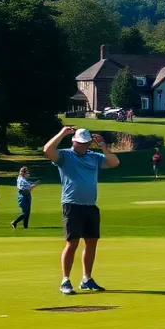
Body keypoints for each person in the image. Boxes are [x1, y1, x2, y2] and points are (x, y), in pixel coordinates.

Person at [44, 126, 120, 295]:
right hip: (72, 205)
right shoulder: (65, 156)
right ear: (74, 141)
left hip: (90, 206)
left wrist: (104, 147)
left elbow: (114, 162)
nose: (83, 146)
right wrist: (62, 133)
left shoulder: (94, 157)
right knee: (72, 243)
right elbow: (47, 150)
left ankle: (87, 279)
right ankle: (65, 280)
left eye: (86, 143)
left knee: (92, 242)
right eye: (80, 143)